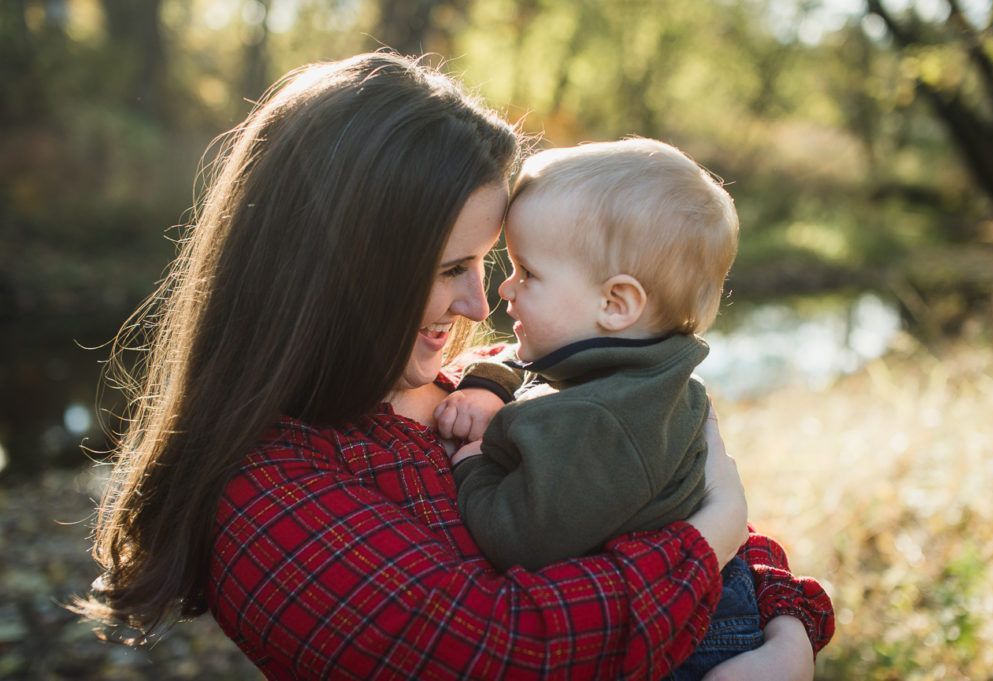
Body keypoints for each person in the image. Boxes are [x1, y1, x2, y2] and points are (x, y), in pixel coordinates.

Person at [73, 53, 834, 680]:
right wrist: (712, 535)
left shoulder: (477, 379)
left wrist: (785, 634)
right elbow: (508, 649)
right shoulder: (272, 502)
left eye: (492, 262)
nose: (480, 303)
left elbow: (664, 488)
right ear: (337, 272)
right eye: (450, 269)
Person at [435, 138, 774, 679]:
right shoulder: (632, 374)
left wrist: (473, 463)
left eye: (528, 273)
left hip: (690, 645)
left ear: (615, 305)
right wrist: (489, 385)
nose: (505, 289)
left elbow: (520, 537)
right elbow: (527, 370)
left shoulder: (606, 421)